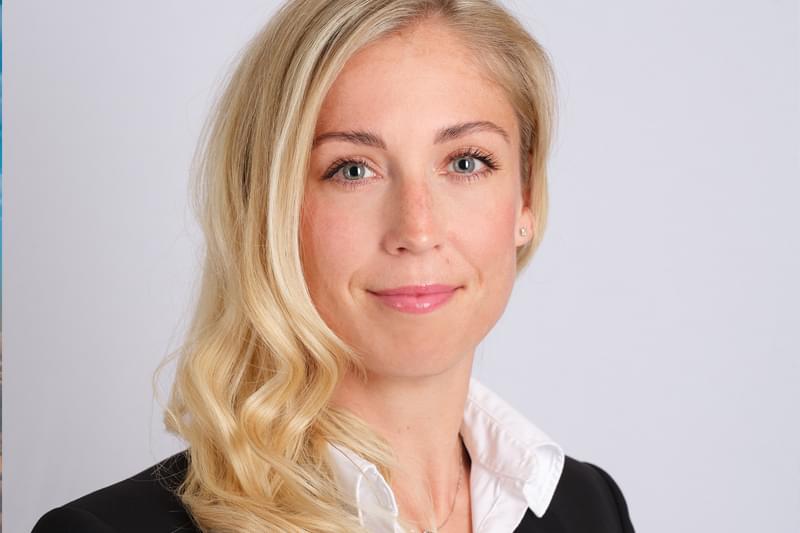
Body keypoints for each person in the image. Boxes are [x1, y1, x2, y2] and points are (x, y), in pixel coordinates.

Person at [32, 0, 635, 531]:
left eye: (466, 162)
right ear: (270, 212)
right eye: (352, 169)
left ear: (526, 201)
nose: (417, 230)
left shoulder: (588, 508)